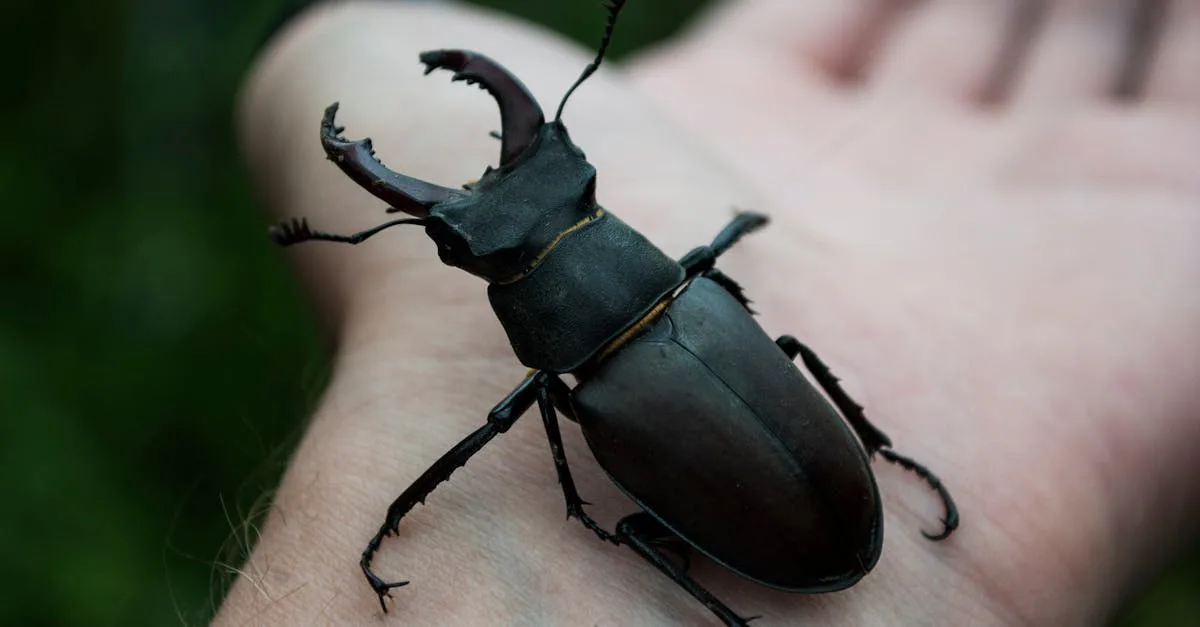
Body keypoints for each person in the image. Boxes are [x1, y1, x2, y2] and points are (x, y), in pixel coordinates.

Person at [218, 0, 1199, 624]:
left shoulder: (600, 361)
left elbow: (493, 434)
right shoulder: (692, 289)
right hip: (787, 483)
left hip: (797, 500)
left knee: (582, 468)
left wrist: (395, 526)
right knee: (781, 349)